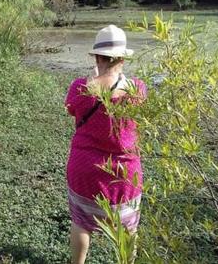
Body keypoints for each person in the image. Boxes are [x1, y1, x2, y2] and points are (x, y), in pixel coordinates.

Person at [65, 25, 147, 264]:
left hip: (84, 167)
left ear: (97, 56)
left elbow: (72, 110)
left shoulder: (80, 86)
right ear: (122, 58)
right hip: (124, 171)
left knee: (81, 222)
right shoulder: (137, 89)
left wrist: (94, 78)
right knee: (128, 227)